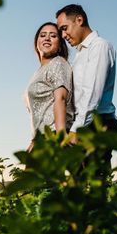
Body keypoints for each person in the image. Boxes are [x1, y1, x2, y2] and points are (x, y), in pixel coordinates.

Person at [55, 4, 117, 147]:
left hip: (98, 125)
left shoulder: (100, 46)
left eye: (64, 28)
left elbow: (91, 93)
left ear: (79, 20)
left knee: (95, 170)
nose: (63, 35)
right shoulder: (80, 53)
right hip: (84, 124)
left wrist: (77, 129)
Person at [24, 22, 74, 151]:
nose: (47, 38)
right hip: (41, 139)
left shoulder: (58, 63)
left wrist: (61, 137)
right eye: (42, 35)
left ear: (59, 45)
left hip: (53, 138)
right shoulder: (38, 72)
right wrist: (34, 140)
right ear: (36, 42)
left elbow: (61, 99)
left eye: (53, 36)